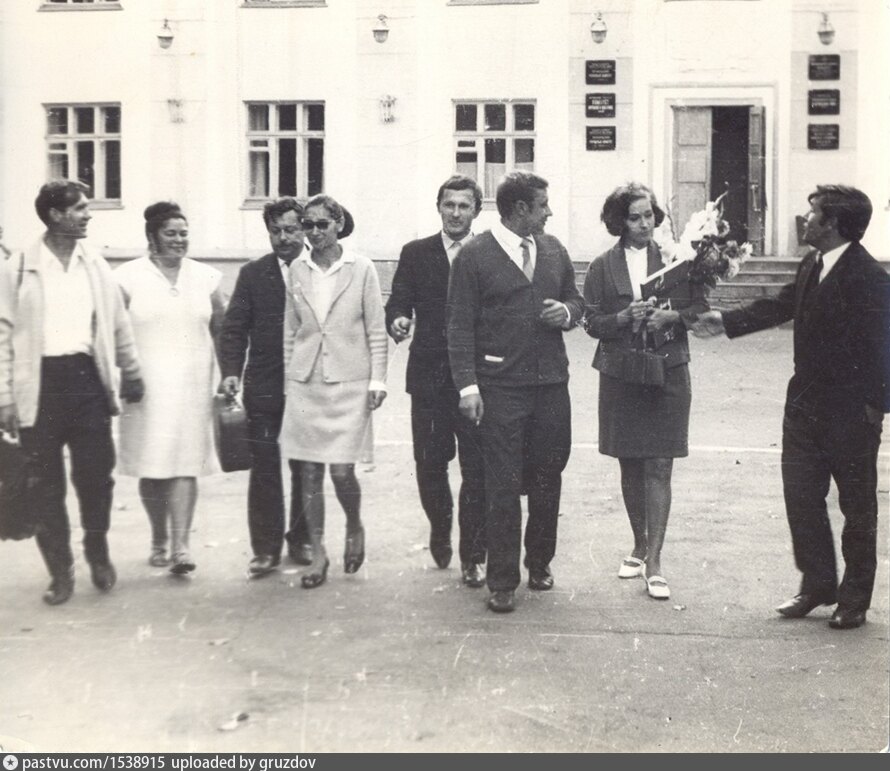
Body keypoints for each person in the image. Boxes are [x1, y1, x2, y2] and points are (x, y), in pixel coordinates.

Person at [693, 185, 890, 629]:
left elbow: (885, 346)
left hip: (850, 412)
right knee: (801, 497)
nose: (806, 219)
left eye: (813, 213)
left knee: (857, 507)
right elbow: (782, 305)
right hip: (803, 406)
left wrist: (877, 405)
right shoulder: (811, 263)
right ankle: (817, 584)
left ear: (834, 224)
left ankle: (854, 599)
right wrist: (725, 321)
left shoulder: (870, 278)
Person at [0, 180, 144, 605]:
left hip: (86, 381)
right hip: (39, 385)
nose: (88, 215)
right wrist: (4, 397)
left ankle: (97, 550)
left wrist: (131, 370)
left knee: (96, 477)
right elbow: (2, 335)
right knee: (45, 484)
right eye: (80, 208)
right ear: (55, 214)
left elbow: (117, 324)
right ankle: (60, 571)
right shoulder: (19, 267)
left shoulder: (94, 264)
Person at [447, 171, 583, 613]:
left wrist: (567, 312)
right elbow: (458, 326)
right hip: (499, 388)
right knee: (501, 483)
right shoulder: (474, 255)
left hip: (551, 386)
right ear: (520, 209)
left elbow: (576, 300)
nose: (549, 212)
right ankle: (503, 580)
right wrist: (468, 387)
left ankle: (539, 563)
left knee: (548, 475)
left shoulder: (553, 249)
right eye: (543, 205)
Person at [582, 183, 708, 601]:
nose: (643, 224)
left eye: (649, 215)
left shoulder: (676, 258)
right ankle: (639, 544)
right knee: (631, 463)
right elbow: (590, 322)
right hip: (622, 373)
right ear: (619, 221)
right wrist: (622, 317)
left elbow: (700, 309)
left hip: (669, 371)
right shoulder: (602, 266)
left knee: (660, 463)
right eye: (634, 217)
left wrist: (670, 317)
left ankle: (654, 561)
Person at [280, 194, 387, 589]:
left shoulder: (362, 268)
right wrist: (290, 381)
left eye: (322, 224)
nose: (313, 232)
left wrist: (378, 380)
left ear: (339, 225)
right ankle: (318, 553)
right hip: (306, 384)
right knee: (309, 472)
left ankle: (354, 525)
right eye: (307, 225)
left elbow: (376, 330)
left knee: (342, 471)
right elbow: (291, 330)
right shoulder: (297, 268)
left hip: (349, 383)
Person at [114, 202, 227, 575]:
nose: (179, 240)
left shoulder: (206, 277)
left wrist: (228, 375)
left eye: (183, 233)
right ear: (152, 236)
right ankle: (159, 537)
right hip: (144, 388)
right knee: (152, 463)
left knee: (185, 462)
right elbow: (113, 331)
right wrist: (124, 373)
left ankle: (181, 546)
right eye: (171, 233)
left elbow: (222, 330)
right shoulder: (126, 278)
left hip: (192, 387)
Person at [385, 175, 487, 586]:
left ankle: (473, 555)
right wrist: (398, 319)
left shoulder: (488, 252)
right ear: (439, 207)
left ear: (476, 210)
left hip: (476, 381)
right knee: (430, 464)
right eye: (449, 205)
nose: (456, 213)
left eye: (464, 206)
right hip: (428, 378)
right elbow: (398, 300)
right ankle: (440, 528)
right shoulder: (416, 253)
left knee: (477, 469)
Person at [219, 198, 315, 578]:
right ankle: (265, 548)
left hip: (308, 386)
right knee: (263, 468)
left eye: (291, 229)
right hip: (263, 386)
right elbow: (233, 329)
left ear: (304, 229)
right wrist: (230, 371)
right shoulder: (253, 274)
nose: (283, 237)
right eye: (276, 231)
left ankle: (302, 539)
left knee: (306, 467)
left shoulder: (319, 270)